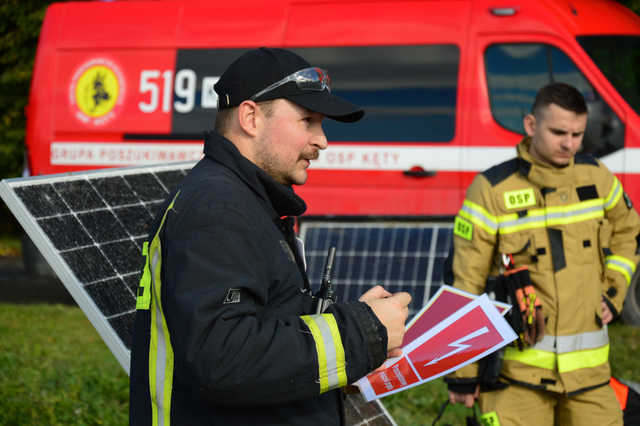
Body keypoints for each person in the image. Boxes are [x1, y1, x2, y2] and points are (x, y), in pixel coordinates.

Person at [128, 47, 411, 426]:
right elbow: (226, 360)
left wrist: (354, 324)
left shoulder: (246, 201)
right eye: (307, 120)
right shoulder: (217, 210)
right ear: (250, 117)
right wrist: (362, 333)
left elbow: (265, 325)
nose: (322, 140)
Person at [444, 82, 640, 425]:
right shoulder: (491, 190)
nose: (569, 144)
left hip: (590, 380)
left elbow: (628, 232)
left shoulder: (597, 178)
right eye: (559, 132)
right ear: (531, 125)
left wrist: (614, 291)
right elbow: (466, 285)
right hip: (515, 379)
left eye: (578, 134)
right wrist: (464, 373)